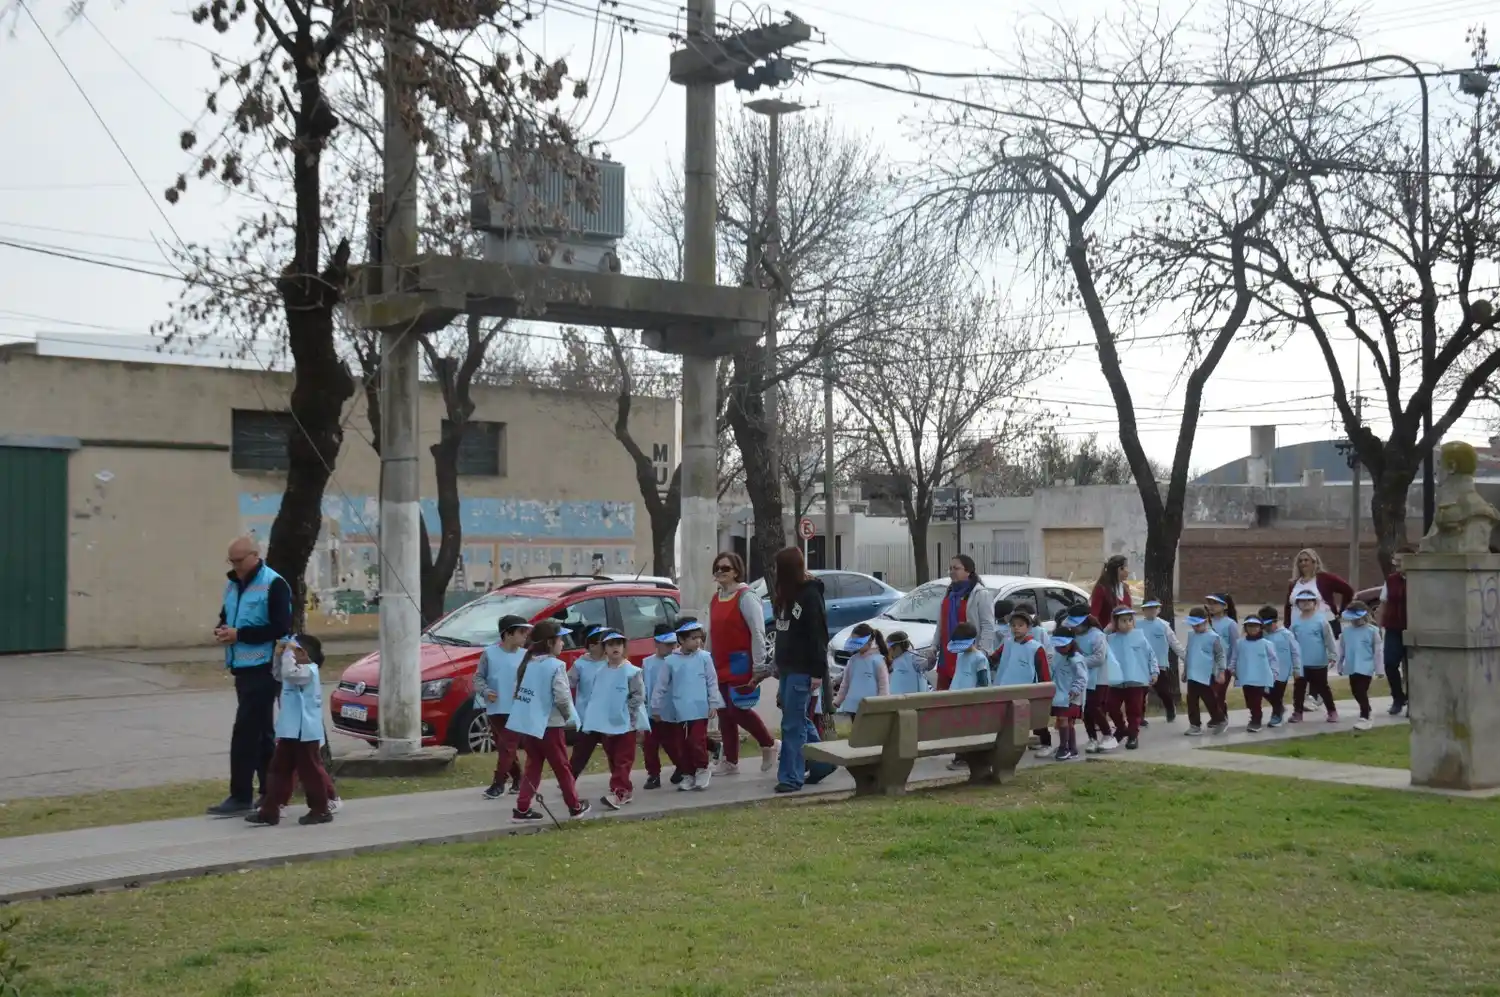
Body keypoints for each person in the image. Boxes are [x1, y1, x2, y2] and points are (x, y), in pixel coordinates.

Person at [210, 536, 294, 817]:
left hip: (265, 667)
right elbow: (227, 616)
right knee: (262, 733)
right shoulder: (233, 585)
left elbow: (281, 627)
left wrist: (240, 635)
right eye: (231, 561)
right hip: (242, 667)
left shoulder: (274, 584)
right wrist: (222, 629)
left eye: (239, 561)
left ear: (255, 556)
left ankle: (241, 795)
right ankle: (270, 793)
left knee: (245, 731)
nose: (235, 567)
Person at [245, 635, 334, 826]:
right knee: (278, 770)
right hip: (290, 730)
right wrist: (278, 655)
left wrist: (287, 654)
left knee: (310, 771)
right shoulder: (292, 669)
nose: (290, 656)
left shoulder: (308, 671)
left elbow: (290, 674)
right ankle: (270, 810)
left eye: (294, 652)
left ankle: (321, 809)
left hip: (305, 731)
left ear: (303, 654)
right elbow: (278, 674)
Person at [506, 621, 590, 822]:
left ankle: (522, 808)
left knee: (533, 767)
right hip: (551, 726)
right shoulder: (556, 665)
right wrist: (570, 717)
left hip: (531, 727)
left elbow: (517, 692)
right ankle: (575, 807)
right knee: (562, 767)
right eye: (561, 640)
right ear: (551, 642)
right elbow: (562, 697)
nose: (563, 644)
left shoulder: (528, 663)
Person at [707, 552, 779, 776]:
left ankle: (769, 744)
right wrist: (706, 663)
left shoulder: (747, 597)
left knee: (737, 710)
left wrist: (759, 666)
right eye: (717, 568)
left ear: (736, 571)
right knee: (724, 713)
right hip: (719, 663)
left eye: (725, 568)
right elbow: (712, 633)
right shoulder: (716, 598)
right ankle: (730, 761)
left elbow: (758, 632)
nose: (720, 572)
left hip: (740, 663)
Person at [771, 546, 834, 794]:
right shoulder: (787, 594)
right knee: (798, 718)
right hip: (788, 667)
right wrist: (778, 662)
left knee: (792, 725)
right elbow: (783, 632)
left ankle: (790, 777)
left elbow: (818, 635)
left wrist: (818, 672)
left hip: (803, 668)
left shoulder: (809, 595)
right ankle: (822, 761)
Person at [651, 618, 722, 792]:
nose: (697, 641)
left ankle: (702, 768)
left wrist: (714, 702)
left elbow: (712, 681)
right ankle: (688, 773)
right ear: (681, 640)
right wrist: (655, 707)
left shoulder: (705, 658)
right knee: (681, 744)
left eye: (699, 637)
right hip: (679, 710)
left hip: (699, 709)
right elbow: (661, 685)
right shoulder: (671, 661)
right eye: (692, 638)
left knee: (696, 740)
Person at [582, 631, 647, 810]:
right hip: (606, 724)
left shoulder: (632, 671)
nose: (615, 648)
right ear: (605, 649)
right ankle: (623, 787)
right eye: (611, 644)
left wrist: (627, 713)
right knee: (612, 757)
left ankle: (620, 791)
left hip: (626, 724)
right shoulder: (600, 671)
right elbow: (598, 697)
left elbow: (638, 696)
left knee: (623, 758)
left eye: (618, 644)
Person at [474, 615, 530, 799]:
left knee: (508, 746)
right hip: (495, 709)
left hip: (517, 710)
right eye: (521, 631)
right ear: (507, 634)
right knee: (505, 747)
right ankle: (518, 779)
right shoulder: (489, 653)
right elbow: (479, 678)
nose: (525, 635)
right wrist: (485, 691)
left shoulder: (526, 656)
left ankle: (498, 784)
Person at [931, 555, 995, 691]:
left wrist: (983, 651)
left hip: (968, 653)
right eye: (950, 568)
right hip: (946, 654)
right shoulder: (949, 593)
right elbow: (941, 624)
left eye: (956, 568)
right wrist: (933, 647)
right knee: (942, 699)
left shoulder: (980, 594)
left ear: (969, 571)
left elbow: (988, 625)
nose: (952, 571)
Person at [1066, 605, 1119, 754]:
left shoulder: (1097, 635)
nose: (1074, 629)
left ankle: (1108, 735)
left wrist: (1079, 661)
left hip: (1098, 679)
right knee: (1085, 711)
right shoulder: (1074, 636)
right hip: (1082, 679)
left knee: (1093, 707)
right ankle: (1092, 738)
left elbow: (1099, 658)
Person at [1105, 606, 1159, 749]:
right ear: (1115, 622)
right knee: (1111, 706)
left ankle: (1133, 736)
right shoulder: (1110, 638)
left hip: (1136, 680)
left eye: (1130, 620)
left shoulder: (1139, 637)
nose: (1128, 623)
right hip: (1117, 681)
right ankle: (1121, 728)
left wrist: (1154, 672)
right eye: (1123, 620)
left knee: (1134, 710)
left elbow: (1151, 655)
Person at [567, 626, 611, 777]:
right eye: (604, 642)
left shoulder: (612, 662)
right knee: (580, 752)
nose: (609, 646)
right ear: (592, 645)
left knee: (614, 752)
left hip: (608, 717)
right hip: (587, 718)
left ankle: (620, 782)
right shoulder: (580, 664)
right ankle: (569, 780)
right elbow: (567, 684)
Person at [641, 623, 680, 790]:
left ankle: (682, 767)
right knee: (650, 744)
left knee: (672, 743)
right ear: (656, 643)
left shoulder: (677, 661)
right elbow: (646, 687)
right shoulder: (648, 663)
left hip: (672, 712)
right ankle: (653, 774)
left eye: (674, 644)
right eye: (667, 644)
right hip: (653, 712)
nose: (672, 648)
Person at [1289, 593, 1339, 724]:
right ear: (1297, 604)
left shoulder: (1321, 621)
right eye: (1302, 601)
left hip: (1318, 661)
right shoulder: (1296, 624)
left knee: (1322, 687)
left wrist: (1333, 655)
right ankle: (1297, 712)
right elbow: (1291, 643)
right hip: (1301, 663)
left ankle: (1332, 711)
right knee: (1299, 689)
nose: (1305, 603)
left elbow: (1329, 639)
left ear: (1315, 603)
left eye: (1308, 600)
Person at [1379, 544, 1417, 715]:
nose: (1397, 564)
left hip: (1414, 628)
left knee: (1413, 667)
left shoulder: (1420, 579)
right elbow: (1383, 603)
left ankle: (1414, 701)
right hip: (1394, 628)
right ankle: (1398, 698)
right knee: (1390, 664)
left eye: (1401, 560)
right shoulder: (1391, 580)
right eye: (1396, 560)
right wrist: (1380, 625)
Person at [1283, 548, 1355, 636]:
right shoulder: (1294, 583)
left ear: (1314, 562)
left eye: (1306, 560)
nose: (1303, 563)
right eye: (1300, 561)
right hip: (1298, 627)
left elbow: (1348, 590)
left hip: (1324, 626)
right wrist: (1287, 626)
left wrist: (1341, 611)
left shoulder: (1325, 578)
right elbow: (1288, 607)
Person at [1181, 608, 1227, 735]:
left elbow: (1220, 655)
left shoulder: (1213, 637)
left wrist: (1221, 671)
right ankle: (1195, 725)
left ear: (1205, 622)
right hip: (1192, 674)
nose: (1195, 627)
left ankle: (1220, 719)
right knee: (1191, 700)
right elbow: (1189, 653)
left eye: (1198, 625)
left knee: (1209, 699)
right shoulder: (1191, 635)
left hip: (1206, 674)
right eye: (1193, 625)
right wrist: (1185, 671)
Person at [1337, 601, 1382, 731]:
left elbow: (1378, 652)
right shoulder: (1346, 632)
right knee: (1355, 691)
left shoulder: (1372, 631)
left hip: (1366, 666)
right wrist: (1340, 666)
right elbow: (1342, 650)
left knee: (1362, 690)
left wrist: (1379, 669)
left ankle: (1365, 716)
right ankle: (1367, 709)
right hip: (1352, 666)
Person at [1136, 599, 1183, 722]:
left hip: (1159, 664)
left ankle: (1170, 709)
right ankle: (1140, 717)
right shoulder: (1137, 626)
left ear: (1159, 610)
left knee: (1163, 691)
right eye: (1148, 608)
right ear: (1143, 610)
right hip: (1141, 664)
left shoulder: (1164, 625)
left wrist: (1185, 657)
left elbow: (1175, 643)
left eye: (1154, 608)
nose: (1151, 611)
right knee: (1140, 693)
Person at [1234, 615, 1280, 734]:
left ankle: (1256, 720)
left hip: (1261, 677)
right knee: (1249, 700)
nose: (1252, 629)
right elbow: (1234, 658)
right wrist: (1232, 669)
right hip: (1246, 676)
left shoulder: (1266, 644)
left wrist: (1274, 673)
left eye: (1255, 626)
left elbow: (1273, 659)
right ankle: (1254, 714)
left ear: (1260, 628)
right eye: (1249, 626)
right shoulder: (1240, 643)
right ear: (1245, 628)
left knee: (1256, 700)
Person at [834, 623, 890, 717]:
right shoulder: (852, 660)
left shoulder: (878, 661)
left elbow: (883, 685)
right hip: (852, 707)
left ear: (869, 641)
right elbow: (845, 683)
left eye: (858, 642)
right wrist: (838, 701)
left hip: (871, 708)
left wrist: (882, 705)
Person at [1258, 604, 1300, 728]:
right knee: (1262, 691)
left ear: (1275, 621)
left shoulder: (1286, 634)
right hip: (1266, 670)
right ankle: (1280, 708)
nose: (1267, 627)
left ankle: (1277, 714)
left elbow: (1295, 652)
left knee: (1277, 693)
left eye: (1269, 624)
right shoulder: (1262, 635)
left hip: (1283, 671)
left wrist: (1297, 668)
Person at [1048, 630, 1088, 761]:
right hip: (1058, 695)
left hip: (1071, 696)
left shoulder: (1076, 659)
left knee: (1064, 719)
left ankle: (1063, 748)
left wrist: (1075, 689)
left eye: (1063, 646)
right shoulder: (1057, 656)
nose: (1060, 648)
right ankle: (1072, 748)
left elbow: (1082, 678)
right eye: (1057, 646)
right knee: (1066, 722)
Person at [1205, 594, 1240, 721]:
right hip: (1209, 665)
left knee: (1217, 693)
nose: (1211, 607)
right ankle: (1219, 714)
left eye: (1215, 603)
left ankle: (1219, 718)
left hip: (1224, 666)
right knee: (1209, 693)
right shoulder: (1207, 622)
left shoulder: (1230, 624)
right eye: (1209, 603)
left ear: (1225, 606)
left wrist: (1232, 666)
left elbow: (1236, 646)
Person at [1089, 554, 1132, 627]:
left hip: (1124, 634)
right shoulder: (1101, 589)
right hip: (1107, 635)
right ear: (1119, 569)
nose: (1128, 571)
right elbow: (1094, 616)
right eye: (1126, 567)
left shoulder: (1125, 588)